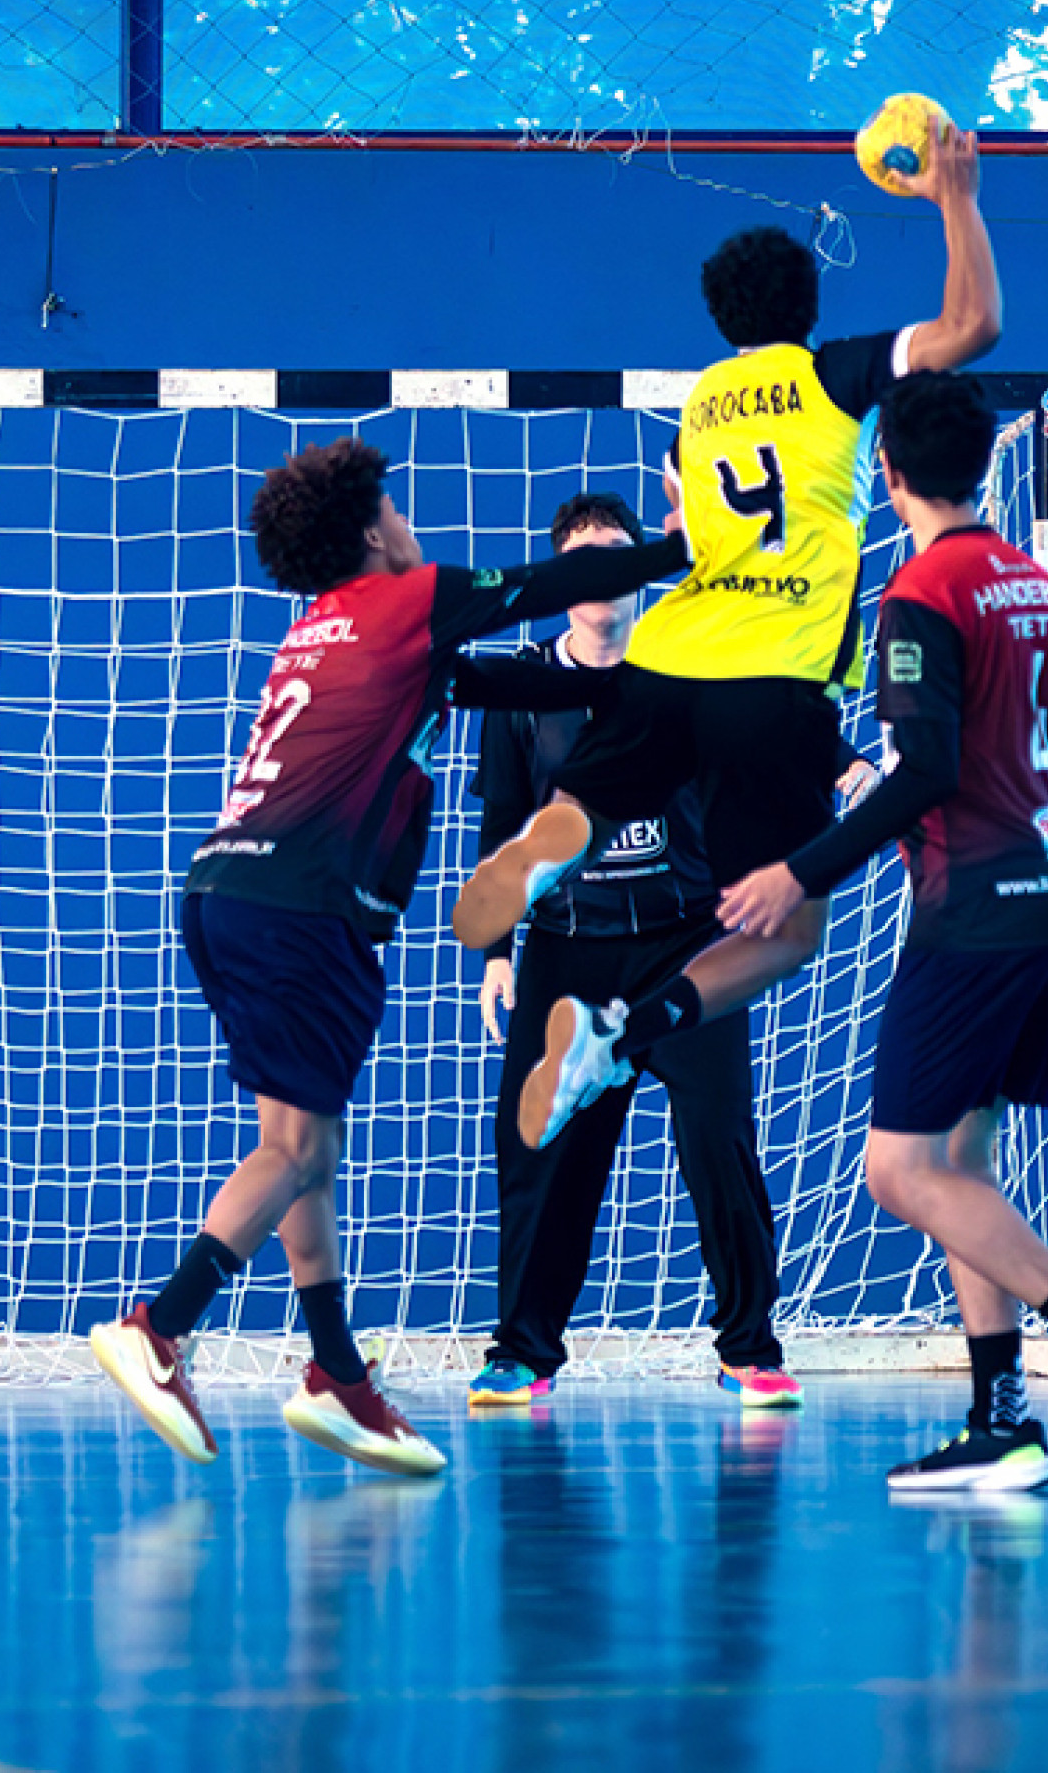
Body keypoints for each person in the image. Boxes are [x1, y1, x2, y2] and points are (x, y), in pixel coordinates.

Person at [90, 439, 688, 1477]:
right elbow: (557, 581)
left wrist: (630, 696)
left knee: (306, 1149)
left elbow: (486, 684)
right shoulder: (404, 599)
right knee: (291, 1154)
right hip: (302, 906)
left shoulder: (315, 630)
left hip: (228, 892)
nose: (411, 524)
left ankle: (339, 1379)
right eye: (397, 510)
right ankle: (161, 1326)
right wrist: (676, 549)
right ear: (373, 531)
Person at [452, 121, 1002, 1149]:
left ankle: (553, 872)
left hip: (670, 660)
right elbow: (970, 327)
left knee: (585, 802)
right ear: (809, 304)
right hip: (770, 680)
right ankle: (625, 1022)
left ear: (719, 315)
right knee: (787, 928)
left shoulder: (700, 407)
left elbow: (690, 532)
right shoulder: (834, 375)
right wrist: (952, 198)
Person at [714, 372, 1048, 1497]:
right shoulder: (1045, 589)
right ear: (980, 464)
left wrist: (801, 869)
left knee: (895, 1167)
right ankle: (1000, 1419)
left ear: (886, 473)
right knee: (961, 1162)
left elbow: (924, 769)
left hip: (972, 908)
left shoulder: (920, 593)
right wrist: (1046, 857)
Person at [470, 493, 866, 1411]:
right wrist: (496, 953)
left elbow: (779, 728)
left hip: (692, 944)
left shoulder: (696, 665)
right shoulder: (525, 694)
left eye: (617, 554)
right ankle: (521, 1350)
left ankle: (750, 1348)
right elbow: (500, 824)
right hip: (569, 950)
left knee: (719, 1140)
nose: (603, 576)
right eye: (584, 560)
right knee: (542, 1147)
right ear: (563, 580)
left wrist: (847, 765)